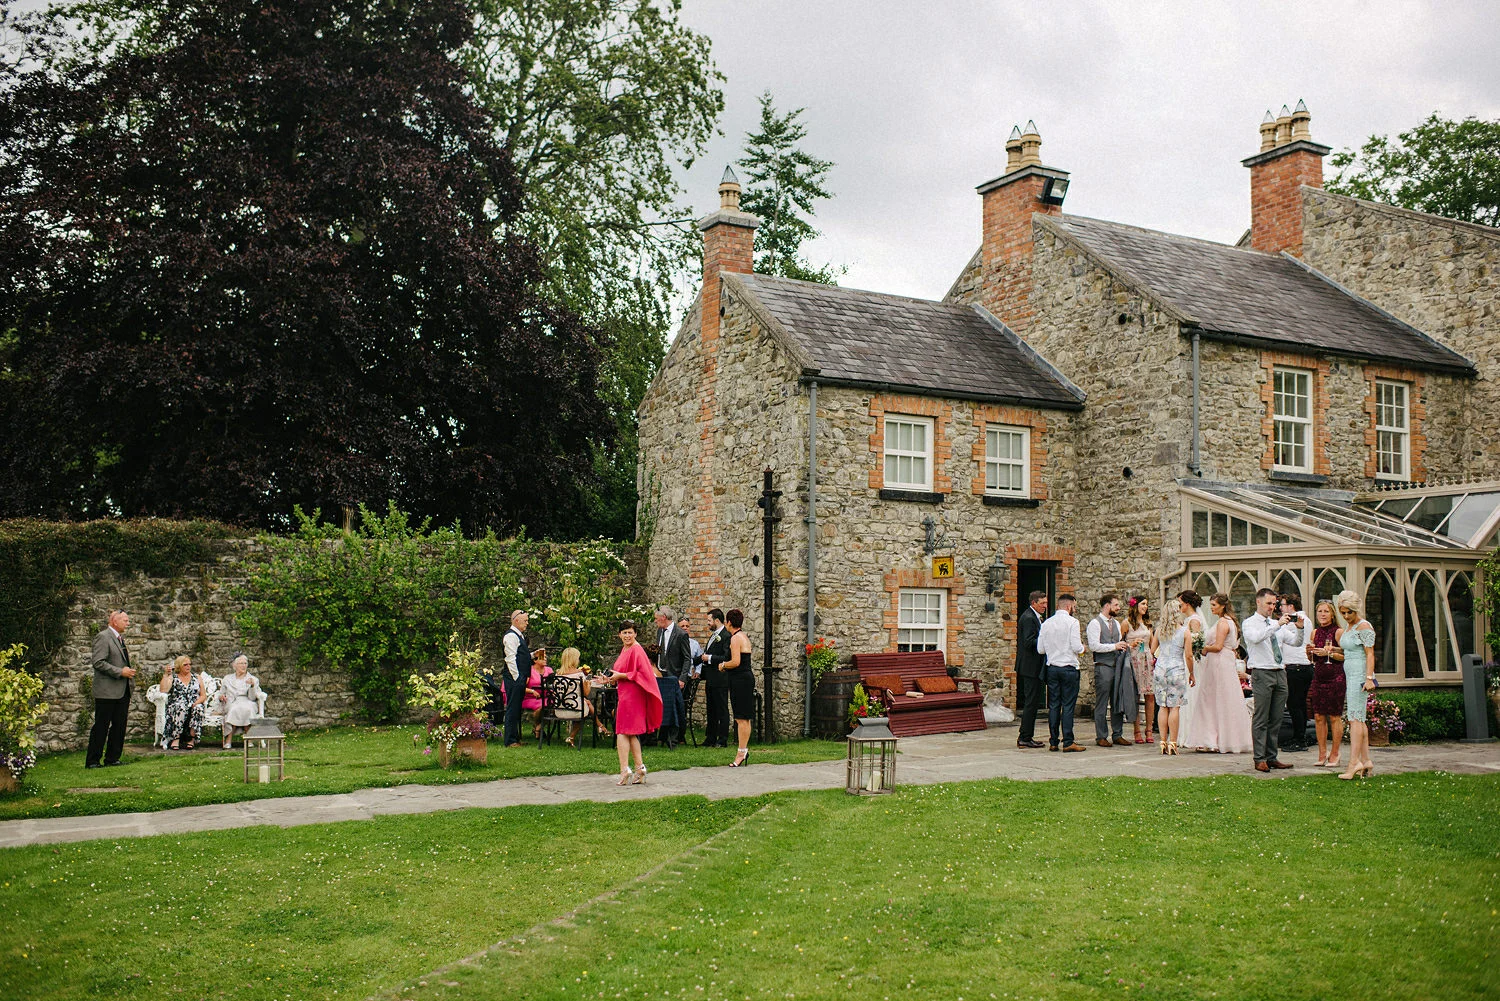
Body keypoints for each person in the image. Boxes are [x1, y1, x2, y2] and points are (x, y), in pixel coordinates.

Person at [1179, 594, 1252, 754]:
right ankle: (1216, 738)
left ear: (1222, 606)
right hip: (1222, 661)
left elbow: (1218, 646)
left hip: (1219, 663)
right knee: (1221, 699)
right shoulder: (1228, 622)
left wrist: (1202, 648)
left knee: (1212, 699)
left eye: (1214, 605)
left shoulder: (1223, 623)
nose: (1211, 608)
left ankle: (1213, 740)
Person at [602, 621, 662, 785]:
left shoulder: (637, 650)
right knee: (631, 732)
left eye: (630, 632)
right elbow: (621, 672)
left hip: (633, 695)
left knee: (621, 731)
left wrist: (620, 676)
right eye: (624, 633)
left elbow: (644, 673)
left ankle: (624, 770)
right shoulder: (625, 649)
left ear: (635, 634)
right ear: (619, 635)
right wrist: (609, 678)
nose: (627, 636)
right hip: (625, 693)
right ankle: (640, 768)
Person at [1243, 587, 1294, 772]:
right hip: (1262, 672)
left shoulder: (1276, 624)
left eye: (1274, 604)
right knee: (1261, 717)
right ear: (1258, 602)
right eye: (1269, 603)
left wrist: (1302, 628)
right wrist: (1277, 625)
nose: (1272, 607)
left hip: (1280, 672)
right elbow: (1255, 638)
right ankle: (1259, 758)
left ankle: (1272, 756)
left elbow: (1294, 641)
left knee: (1276, 717)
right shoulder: (1250, 623)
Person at [86, 610, 137, 769]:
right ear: (114, 621)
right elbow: (98, 662)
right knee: (101, 726)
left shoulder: (119, 639)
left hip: (122, 690)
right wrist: (120, 671)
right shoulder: (103, 637)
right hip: (107, 691)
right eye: (125, 620)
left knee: (119, 725)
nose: (128, 623)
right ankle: (93, 761)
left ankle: (113, 758)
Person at [1335, 591, 1378, 780]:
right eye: (1342, 613)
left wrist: (1369, 678)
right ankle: (1366, 760)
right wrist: (1333, 650)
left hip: (1360, 675)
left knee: (1355, 718)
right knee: (1358, 717)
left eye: (1348, 613)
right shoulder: (1349, 627)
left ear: (1355, 610)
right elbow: (1349, 650)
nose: (1345, 616)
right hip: (1349, 673)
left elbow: (1370, 654)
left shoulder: (1364, 627)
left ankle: (1354, 762)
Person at [1153, 591, 1202, 755]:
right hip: (1176, 670)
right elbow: (1188, 655)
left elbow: (1152, 651)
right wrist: (1192, 674)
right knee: (1174, 707)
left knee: (1162, 706)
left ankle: (1162, 742)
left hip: (1160, 670)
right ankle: (1173, 743)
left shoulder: (1159, 630)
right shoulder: (1184, 632)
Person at [1037, 594, 1087, 752]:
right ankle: (1068, 741)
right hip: (1068, 667)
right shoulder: (1073, 622)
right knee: (1068, 706)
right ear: (1069, 606)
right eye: (1074, 606)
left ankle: (1053, 741)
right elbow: (1076, 646)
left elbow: (1040, 649)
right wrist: (1083, 648)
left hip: (1052, 668)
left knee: (1053, 705)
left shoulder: (1046, 623)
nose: (1075, 609)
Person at [1087, 593, 1136, 747]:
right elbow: (1094, 646)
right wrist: (1114, 646)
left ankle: (1117, 734)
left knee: (1117, 700)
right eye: (1116, 605)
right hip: (1103, 667)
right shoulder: (1094, 624)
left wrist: (1128, 645)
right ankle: (1101, 736)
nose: (1119, 607)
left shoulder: (1115, 624)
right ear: (1107, 605)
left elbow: (1119, 642)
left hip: (1117, 667)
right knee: (1102, 703)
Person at [1305, 600, 1345, 768]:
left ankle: (1335, 753)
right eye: (1320, 611)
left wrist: (1330, 653)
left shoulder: (1339, 632)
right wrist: (1310, 653)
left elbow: (1345, 656)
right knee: (1319, 716)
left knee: (1334, 716)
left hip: (1335, 678)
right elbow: (1313, 659)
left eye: (1326, 611)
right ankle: (1322, 753)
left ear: (1332, 614)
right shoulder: (1315, 633)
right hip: (1319, 677)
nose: (1322, 614)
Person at [719, 608, 756, 766]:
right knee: (745, 718)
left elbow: (736, 661)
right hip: (746, 678)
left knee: (741, 718)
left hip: (740, 679)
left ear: (728, 622)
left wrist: (723, 665)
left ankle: (741, 752)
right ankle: (743, 750)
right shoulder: (744, 636)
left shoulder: (735, 638)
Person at [1014, 591, 1049, 749]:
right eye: (1042, 603)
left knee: (1032, 702)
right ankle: (1025, 737)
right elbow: (1028, 642)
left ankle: (1027, 735)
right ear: (1034, 603)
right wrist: (1046, 640)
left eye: (1046, 603)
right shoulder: (1028, 618)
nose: (1045, 606)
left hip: (1033, 666)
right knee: (1031, 702)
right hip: (1030, 666)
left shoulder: (1034, 616)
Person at [1279, 593, 1313, 751]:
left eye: (1283, 605)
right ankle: (1299, 736)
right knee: (1298, 704)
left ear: (1291, 606)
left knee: (1295, 704)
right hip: (1301, 666)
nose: (1280, 608)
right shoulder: (1304, 619)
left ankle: (1300, 739)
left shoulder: (1296, 620)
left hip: (1297, 666)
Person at [654, 606, 691, 749]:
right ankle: (660, 736)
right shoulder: (659, 631)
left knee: (674, 707)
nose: (656, 622)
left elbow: (687, 658)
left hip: (674, 676)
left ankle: (673, 739)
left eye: (657, 619)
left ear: (663, 618)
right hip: (661, 675)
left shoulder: (680, 634)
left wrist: (682, 678)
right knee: (661, 706)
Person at [555, 647, 607, 746]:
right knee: (585, 707)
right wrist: (587, 683)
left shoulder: (557, 674)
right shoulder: (579, 674)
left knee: (585, 703)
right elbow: (586, 693)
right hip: (575, 708)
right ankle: (572, 736)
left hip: (559, 708)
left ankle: (600, 726)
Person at [1125, 596, 1158, 744]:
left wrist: (1152, 656)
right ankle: (1136, 730)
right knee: (1135, 697)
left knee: (1150, 695)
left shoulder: (1147, 623)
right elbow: (1120, 643)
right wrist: (1131, 644)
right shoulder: (1126, 623)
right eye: (1143, 604)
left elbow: (1152, 644)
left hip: (1146, 660)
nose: (1145, 607)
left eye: (1147, 604)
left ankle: (1149, 729)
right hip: (1133, 660)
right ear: (1135, 605)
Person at [160, 655, 210, 750]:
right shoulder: (173, 677)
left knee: (198, 708)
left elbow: (203, 695)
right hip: (177, 704)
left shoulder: (197, 677)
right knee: (180, 707)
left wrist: (196, 702)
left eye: (189, 664)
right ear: (179, 666)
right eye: (185, 665)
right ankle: (176, 738)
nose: (188, 666)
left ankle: (191, 738)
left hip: (194, 703)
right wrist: (166, 675)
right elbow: (163, 690)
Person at [699, 609, 732, 748]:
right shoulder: (713, 636)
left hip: (721, 679)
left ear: (717, 621)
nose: (708, 623)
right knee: (711, 709)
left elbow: (727, 657)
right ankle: (710, 737)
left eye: (709, 621)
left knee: (721, 709)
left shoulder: (726, 636)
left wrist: (710, 658)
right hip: (711, 679)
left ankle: (722, 738)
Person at [217, 654, 263, 749]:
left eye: (245, 663)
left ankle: (247, 738)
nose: (244, 665)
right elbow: (221, 693)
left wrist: (252, 686)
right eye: (241, 663)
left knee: (247, 709)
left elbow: (252, 697)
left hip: (248, 701)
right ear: (235, 666)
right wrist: (221, 697)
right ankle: (230, 739)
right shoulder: (227, 678)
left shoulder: (253, 679)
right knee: (234, 708)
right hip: (232, 701)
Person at [501, 610, 532, 748]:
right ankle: (510, 740)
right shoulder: (511, 637)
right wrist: (517, 677)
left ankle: (516, 737)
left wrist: (531, 655)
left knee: (517, 708)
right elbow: (510, 658)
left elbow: (520, 656)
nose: (527, 623)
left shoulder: (519, 636)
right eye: (525, 620)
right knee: (512, 708)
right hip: (514, 678)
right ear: (516, 620)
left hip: (518, 677)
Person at [518, 647, 553, 741]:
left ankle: (538, 727)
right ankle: (538, 727)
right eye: (542, 657)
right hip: (531, 698)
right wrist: (532, 691)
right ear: (535, 660)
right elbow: (521, 687)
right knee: (542, 707)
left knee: (554, 706)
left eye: (546, 657)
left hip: (546, 696)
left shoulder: (549, 670)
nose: (545, 659)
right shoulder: (529, 670)